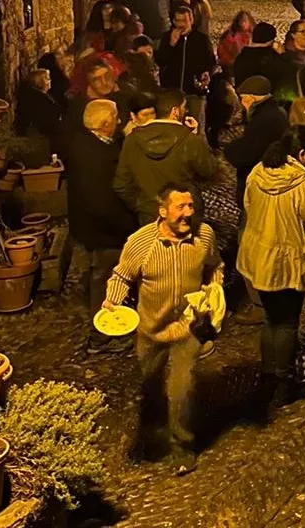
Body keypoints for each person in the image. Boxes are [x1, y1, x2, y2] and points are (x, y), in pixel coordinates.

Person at [104, 185, 220, 476]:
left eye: (191, 206)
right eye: (180, 207)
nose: (188, 214)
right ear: (163, 211)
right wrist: (111, 302)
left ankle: (182, 446)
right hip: (151, 329)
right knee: (150, 385)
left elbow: (215, 265)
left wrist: (214, 287)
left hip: (188, 327)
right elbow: (122, 275)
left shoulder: (203, 236)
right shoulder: (141, 242)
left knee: (182, 388)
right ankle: (150, 436)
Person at [239, 126, 305, 408]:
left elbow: (247, 204)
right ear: (302, 153)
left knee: (271, 317)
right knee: (286, 322)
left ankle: (268, 374)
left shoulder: (259, 171)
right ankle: (284, 385)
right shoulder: (301, 184)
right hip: (286, 263)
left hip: (258, 258)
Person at [65, 99, 137, 352]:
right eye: (116, 117)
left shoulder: (84, 143)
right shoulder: (93, 158)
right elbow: (101, 202)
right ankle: (102, 336)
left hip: (92, 227)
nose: (119, 121)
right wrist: (127, 226)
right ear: (106, 123)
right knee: (107, 282)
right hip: (104, 230)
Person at [114, 89, 218, 225]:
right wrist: (199, 136)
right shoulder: (189, 139)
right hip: (185, 215)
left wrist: (144, 206)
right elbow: (209, 170)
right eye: (184, 107)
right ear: (175, 111)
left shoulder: (132, 140)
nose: (186, 111)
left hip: (149, 217)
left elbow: (122, 184)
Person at [223, 76, 289, 209]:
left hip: (261, 182)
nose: (242, 103)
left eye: (242, 98)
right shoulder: (274, 112)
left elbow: (250, 151)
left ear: (251, 98)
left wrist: (228, 150)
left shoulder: (263, 119)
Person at [156, 7, 215, 124]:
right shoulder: (167, 38)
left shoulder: (201, 39)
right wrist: (171, 45)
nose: (181, 24)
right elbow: (160, 61)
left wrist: (207, 73)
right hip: (173, 91)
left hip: (194, 92)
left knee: (197, 125)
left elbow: (211, 62)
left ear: (191, 21)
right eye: (178, 21)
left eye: (184, 21)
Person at [14, 68, 63, 143]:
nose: (50, 81)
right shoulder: (37, 99)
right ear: (39, 81)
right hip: (41, 138)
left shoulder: (44, 96)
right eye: (47, 79)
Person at [233, 22, 285, 89]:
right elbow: (288, 73)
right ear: (272, 40)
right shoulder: (272, 58)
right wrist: (283, 55)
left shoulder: (241, 57)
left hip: (244, 98)